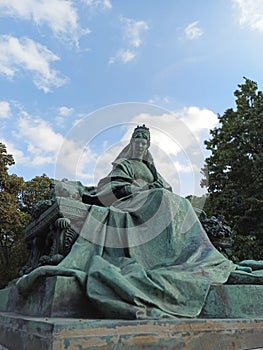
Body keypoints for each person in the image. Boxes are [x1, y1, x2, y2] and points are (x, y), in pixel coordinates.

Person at [19, 124, 255, 319]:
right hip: (129, 202)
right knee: (161, 198)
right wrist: (137, 187)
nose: (141, 146)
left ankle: (187, 256)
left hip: (152, 201)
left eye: (144, 143)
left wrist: (154, 186)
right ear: (132, 144)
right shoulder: (125, 164)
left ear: (147, 147)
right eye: (138, 142)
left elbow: (166, 188)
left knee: (179, 202)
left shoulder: (151, 169)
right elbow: (112, 185)